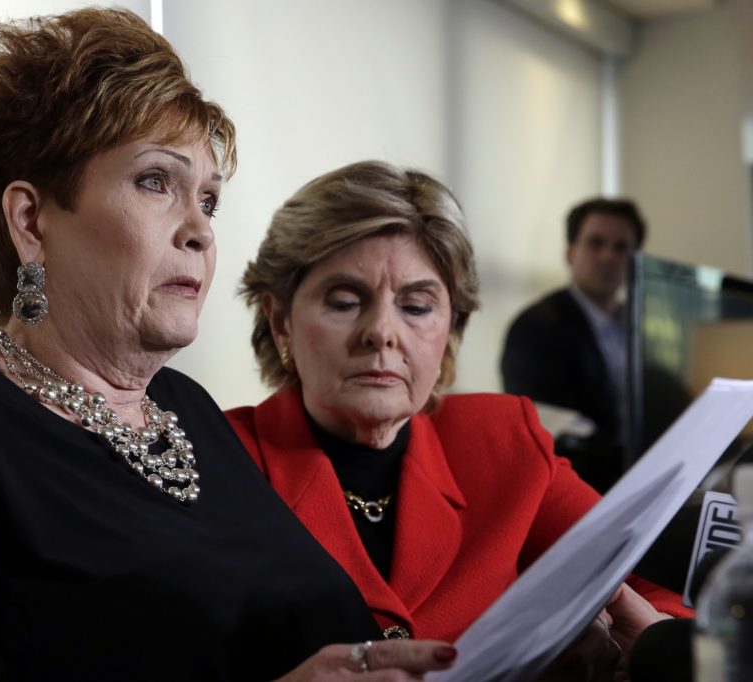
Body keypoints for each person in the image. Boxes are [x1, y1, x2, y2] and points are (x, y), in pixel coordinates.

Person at [0, 11, 457, 681]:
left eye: (209, 200)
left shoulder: (189, 412)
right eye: (156, 182)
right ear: (32, 220)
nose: (200, 231)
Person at [226, 162, 690, 678]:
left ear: (451, 329)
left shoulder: (502, 438)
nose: (382, 332)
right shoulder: (214, 457)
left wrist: (638, 646)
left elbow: (653, 592)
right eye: (344, 301)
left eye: (417, 307)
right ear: (280, 321)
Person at [500, 198, 646, 492]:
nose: (608, 256)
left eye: (621, 247)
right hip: (577, 491)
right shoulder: (535, 328)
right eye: (595, 243)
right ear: (570, 253)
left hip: (645, 485)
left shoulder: (643, 328)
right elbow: (551, 428)